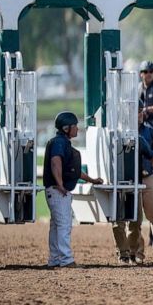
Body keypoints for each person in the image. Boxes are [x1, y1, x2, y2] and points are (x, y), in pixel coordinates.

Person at [113, 103, 153, 264]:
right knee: (134, 221)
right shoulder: (120, 133)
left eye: (141, 111)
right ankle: (134, 252)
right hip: (129, 179)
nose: (140, 115)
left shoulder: (148, 131)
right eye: (136, 112)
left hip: (147, 177)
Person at [43, 112, 103, 268]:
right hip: (58, 191)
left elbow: (75, 170)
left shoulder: (62, 142)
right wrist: (60, 184)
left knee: (57, 226)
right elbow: (56, 162)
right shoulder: (59, 143)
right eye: (75, 126)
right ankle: (66, 260)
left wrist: (92, 180)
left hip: (56, 190)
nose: (77, 128)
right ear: (66, 128)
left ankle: (55, 260)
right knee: (63, 225)